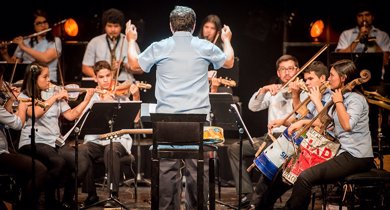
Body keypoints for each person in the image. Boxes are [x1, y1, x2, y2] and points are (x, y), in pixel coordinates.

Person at [126, 5, 234, 209]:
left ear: (170, 26)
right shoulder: (203, 46)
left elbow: (133, 65)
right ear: (193, 27)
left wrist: (131, 41)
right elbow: (228, 61)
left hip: (166, 123)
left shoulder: (160, 46)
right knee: (197, 169)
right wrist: (227, 40)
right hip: (198, 124)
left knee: (166, 169)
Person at [257, 59, 374, 210]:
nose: (329, 78)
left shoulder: (355, 100)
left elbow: (347, 125)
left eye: (332, 75)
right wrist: (300, 121)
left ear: (343, 78)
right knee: (287, 171)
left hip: (356, 156)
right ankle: (262, 206)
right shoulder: (337, 97)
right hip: (336, 150)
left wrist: (335, 102)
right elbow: (325, 122)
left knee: (304, 177)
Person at [62, 60, 141, 208]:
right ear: (95, 79)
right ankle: (91, 195)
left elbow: (136, 120)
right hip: (97, 141)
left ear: (112, 75)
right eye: (101, 77)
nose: (105, 80)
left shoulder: (121, 95)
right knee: (83, 151)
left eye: (108, 76)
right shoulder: (92, 97)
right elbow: (83, 122)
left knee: (111, 149)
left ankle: (113, 194)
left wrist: (135, 97)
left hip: (118, 141)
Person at [17, 61, 94, 209]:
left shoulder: (54, 93)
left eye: (49, 77)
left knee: (82, 162)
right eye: (45, 77)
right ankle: (49, 200)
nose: (49, 80)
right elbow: (35, 113)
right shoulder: (24, 96)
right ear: (34, 78)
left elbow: (71, 115)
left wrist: (86, 100)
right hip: (34, 141)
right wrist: (55, 98)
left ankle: (66, 201)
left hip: (55, 142)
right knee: (58, 162)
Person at [227, 54, 299, 207]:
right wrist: (263, 89)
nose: (287, 72)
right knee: (234, 148)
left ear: (297, 70)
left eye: (290, 69)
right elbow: (253, 107)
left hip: (290, 141)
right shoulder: (274, 92)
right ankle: (247, 194)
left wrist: (296, 93)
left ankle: (258, 201)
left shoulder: (303, 90)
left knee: (268, 161)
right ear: (278, 73)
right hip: (269, 139)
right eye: (283, 69)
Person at [0, 66, 47, 210]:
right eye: (1, 80)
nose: (3, 84)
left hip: (4, 149)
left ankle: (17, 200)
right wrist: (21, 105)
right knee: (40, 170)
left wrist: (9, 101)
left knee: (25, 168)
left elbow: (5, 118)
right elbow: (17, 124)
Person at [0, 9, 62, 84]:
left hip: (47, 81)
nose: (43, 25)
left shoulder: (55, 41)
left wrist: (23, 47)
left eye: (45, 22)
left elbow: (45, 58)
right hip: (26, 82)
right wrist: (5, 54)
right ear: (34, 26)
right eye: (39, 23)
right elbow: (14, 67)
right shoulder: (25, 41)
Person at [82, 8, 141, 82]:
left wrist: (124, 65)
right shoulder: (95, 42)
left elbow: (140, 70)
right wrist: (100, 77)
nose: (113, 30)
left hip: (125, 83)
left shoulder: (130, 41)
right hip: (103, 85)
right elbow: (85, 67)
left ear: (121, 27)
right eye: (109, 26)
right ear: (104, 26)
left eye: (116, 26)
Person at [335, 3, 390, 79]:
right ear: (356, 18)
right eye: (360, 16)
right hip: (350, 78)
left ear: (372, 17)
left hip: (376, 79)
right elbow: (340, 59)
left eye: (367, 15)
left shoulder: (383, 35)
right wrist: (358, 37)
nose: (364, 19)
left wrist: (369, 38)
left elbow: (385, 61)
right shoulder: (346, 34)